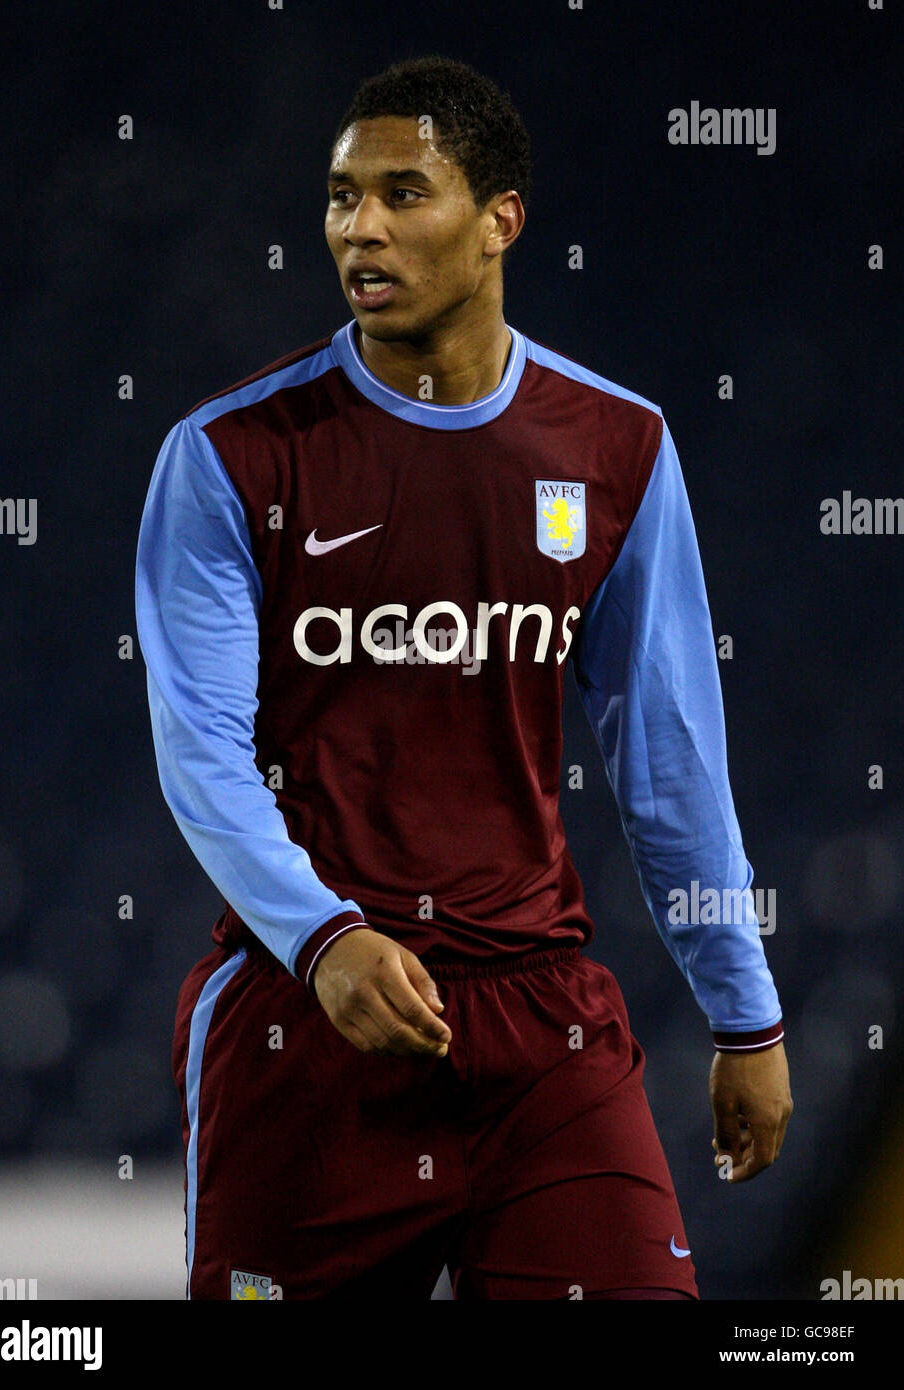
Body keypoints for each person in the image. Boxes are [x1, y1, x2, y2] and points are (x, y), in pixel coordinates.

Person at [135, 54, 792, 1302]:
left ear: (500, 221)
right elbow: (201, 750)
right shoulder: (228, 457)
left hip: (538, 1026)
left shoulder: (617, 448)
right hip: (305, 1019)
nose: (358, 228)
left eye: (402, 192)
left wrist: (743, 1012)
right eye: (339, 197)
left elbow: (667, 765)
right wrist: (322, 936)